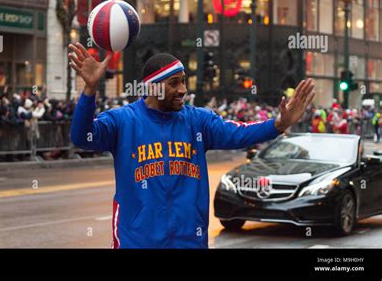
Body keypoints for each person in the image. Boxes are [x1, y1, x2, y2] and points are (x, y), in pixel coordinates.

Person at [69, 43, 315, 248]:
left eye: (184, 82)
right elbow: (83, 137)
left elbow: (239, 134)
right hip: (137, 242)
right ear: (152, 87)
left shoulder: (198, 121)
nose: (183, 90)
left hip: (189, 241)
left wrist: (280, 123)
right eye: (174, 83)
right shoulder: (123, 121)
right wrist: (90, 90)